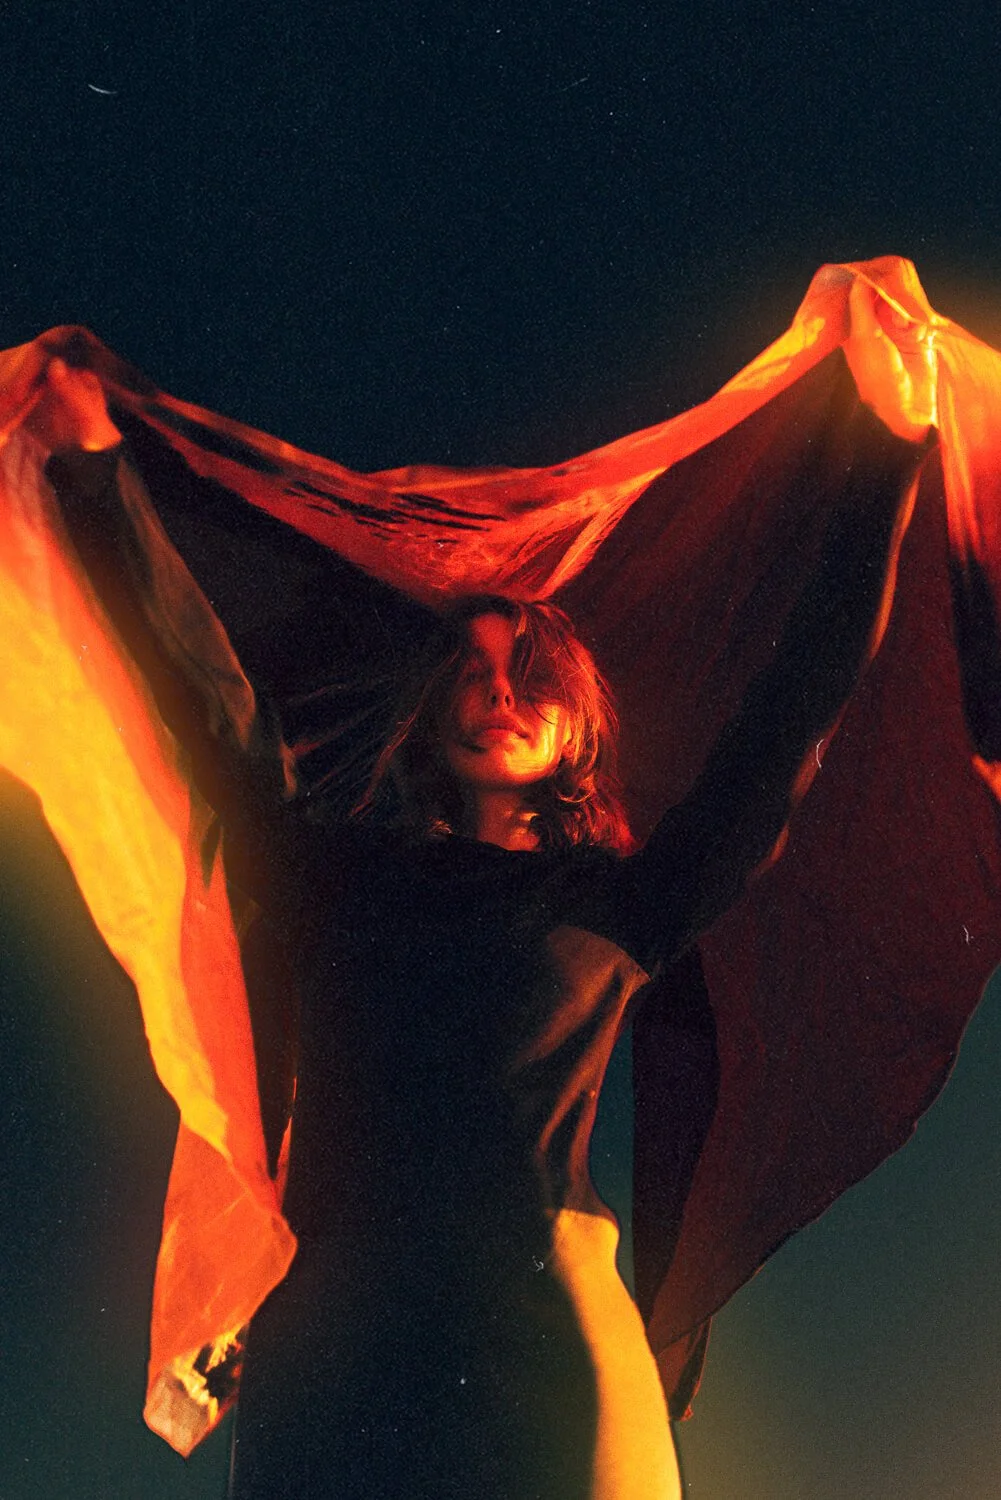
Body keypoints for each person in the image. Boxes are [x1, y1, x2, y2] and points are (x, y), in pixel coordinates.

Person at [24, 289, 935, 1499]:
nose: (500, 692)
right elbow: (210, 707)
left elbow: (786, 719)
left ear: (576, 728)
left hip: (544, 1327)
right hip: (340, 1334)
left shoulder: (621, 904)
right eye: (474, 670)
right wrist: (94, 468)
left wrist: (886, 447)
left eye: (531, 673)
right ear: (429, 713)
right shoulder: (330, 872)